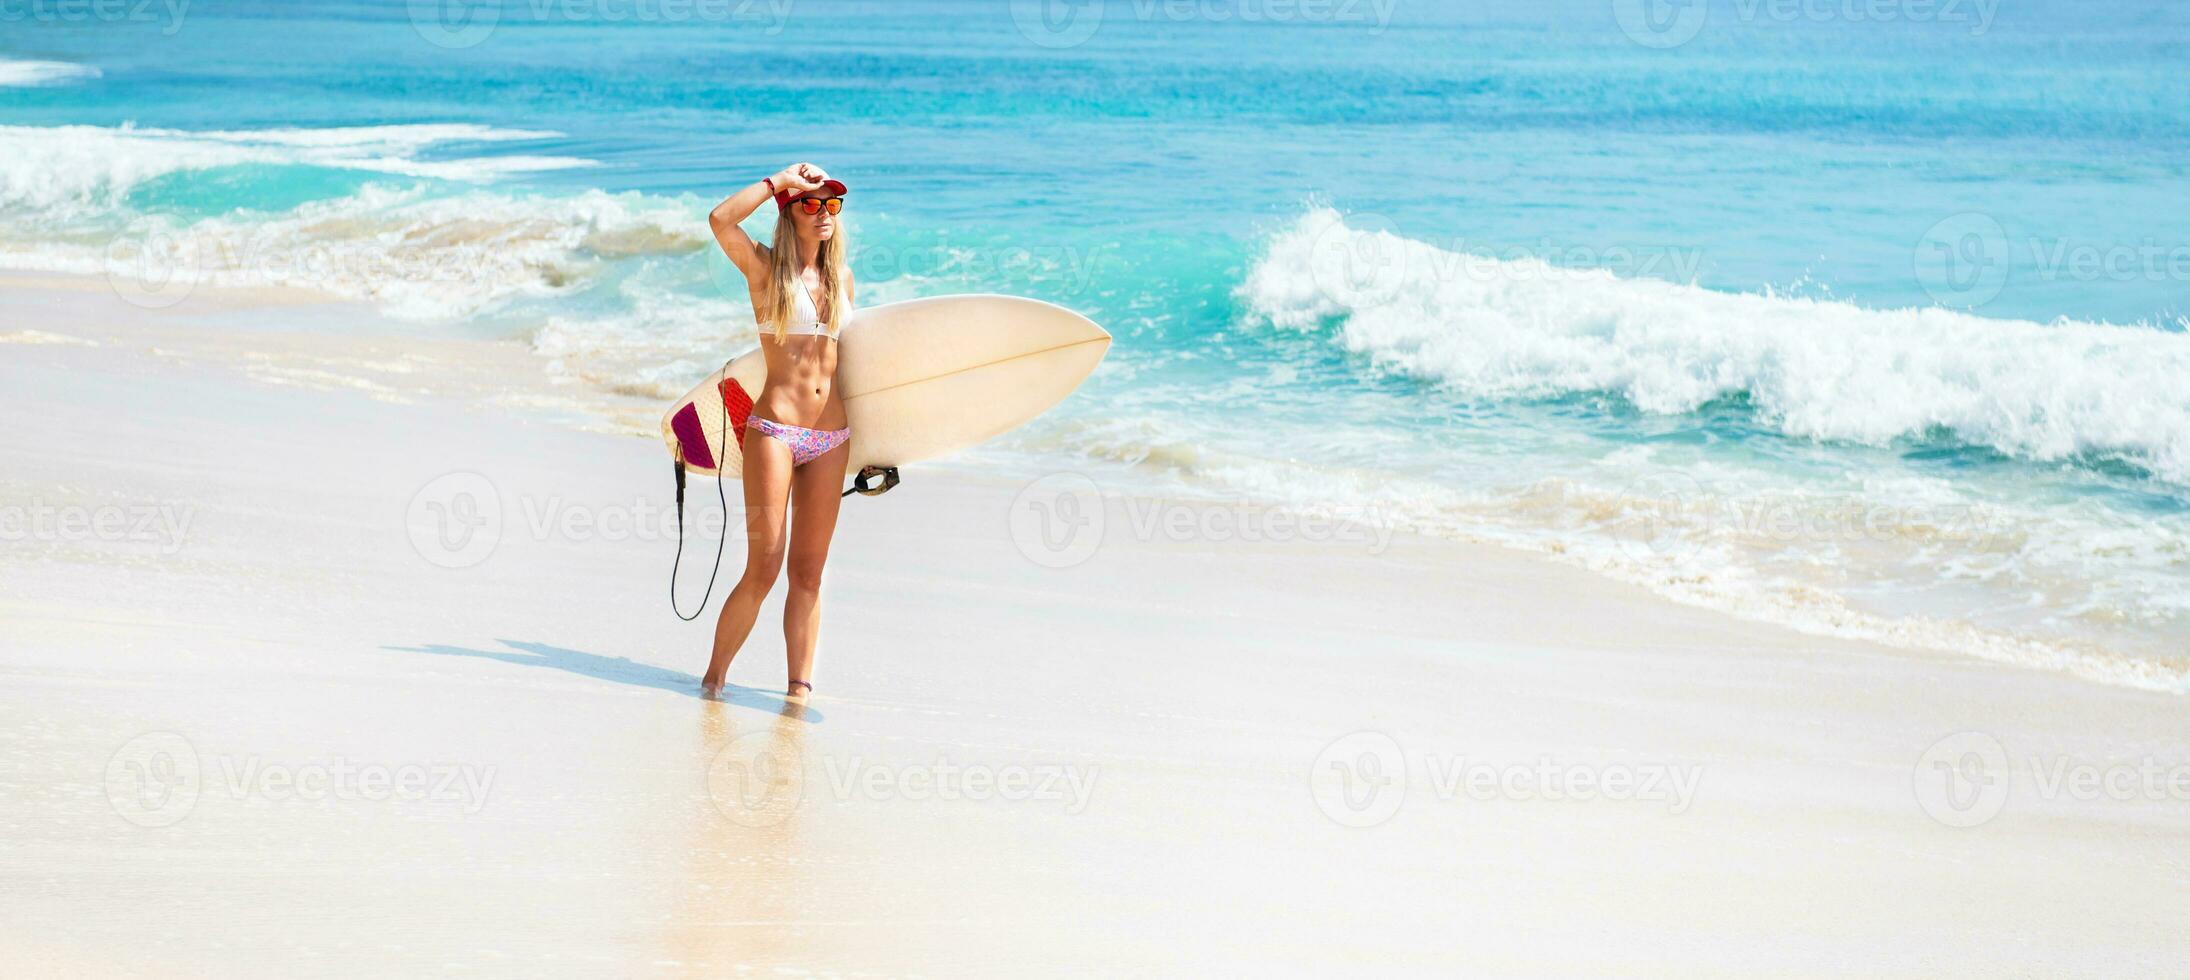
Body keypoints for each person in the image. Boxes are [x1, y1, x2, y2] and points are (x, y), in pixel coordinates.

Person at [698, 162, 854, 701]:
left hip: (832, 438)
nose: (824, 212)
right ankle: (714, 679)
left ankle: (798, 693)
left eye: (831, 203)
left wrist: (886, 445)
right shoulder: (765, 273)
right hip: (774, 432)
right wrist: (779, 181)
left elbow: (859, 370)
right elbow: (720, 220)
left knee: (809, 573)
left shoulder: (841, 280)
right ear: (788, 214)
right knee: (764, 566)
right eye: (811, 203)